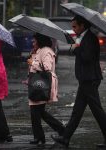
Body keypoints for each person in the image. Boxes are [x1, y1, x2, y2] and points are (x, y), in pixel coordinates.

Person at [51, 15, 106, 147]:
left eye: (75, 26)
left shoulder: (90, 38)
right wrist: (76, 46)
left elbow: (87, 57)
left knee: (96, 110)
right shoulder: (83, 37)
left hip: (90, 79)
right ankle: (65, 138)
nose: (73, 29)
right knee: (78, 110)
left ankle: (65, 137)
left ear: (82, 25)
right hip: (85, 79)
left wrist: (77, 47)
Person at [27, 33, 65, 145]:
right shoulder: (38, 51)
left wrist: (32, 62)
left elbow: (47, 68)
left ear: (40, 41)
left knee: (36, 111)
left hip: (42, 85)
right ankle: (57, 130)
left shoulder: (46, 51)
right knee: (39, 112)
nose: (32, 43)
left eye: (34, 41)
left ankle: (40, 136)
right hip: (37, 84)